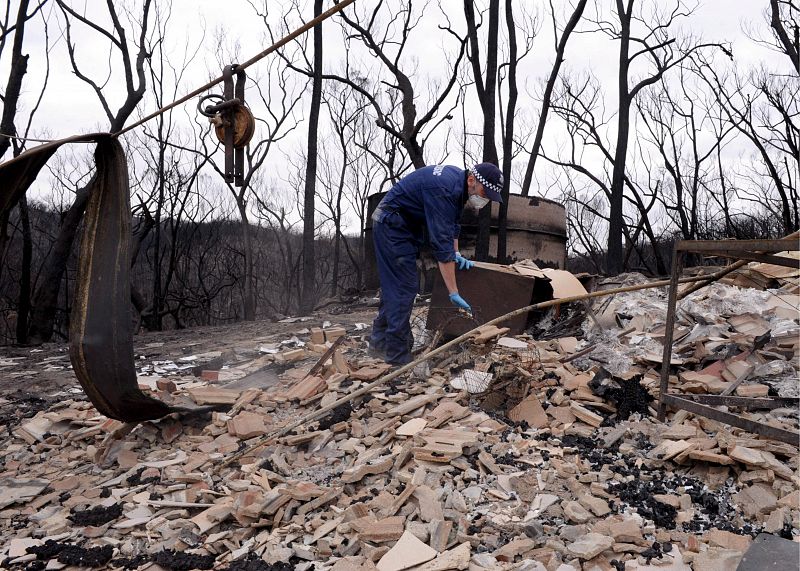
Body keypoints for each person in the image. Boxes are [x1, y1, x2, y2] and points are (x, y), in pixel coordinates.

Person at [369, 162, 504, 365]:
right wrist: (453, 292)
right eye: (485, 193)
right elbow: (441, 247)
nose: (485, 199)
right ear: (471, 180)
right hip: (392, 225)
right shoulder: (443, 190)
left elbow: (453, 225)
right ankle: (397, 358)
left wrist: (456, 252)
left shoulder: (457, 184)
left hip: (402, 225)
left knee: (394, 287)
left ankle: (378, 345)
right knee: (403, 288)